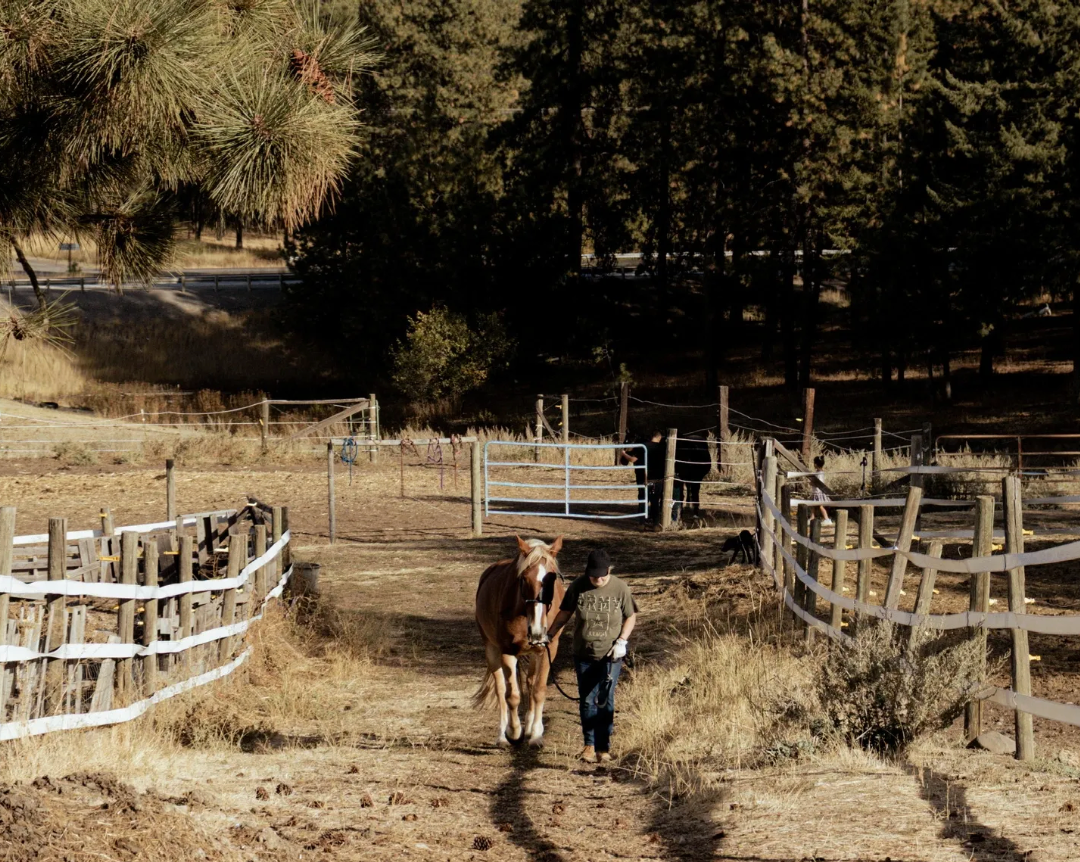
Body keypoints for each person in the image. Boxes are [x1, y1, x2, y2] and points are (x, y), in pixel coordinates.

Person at [546, 548, 638, 763]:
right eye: (593, 575)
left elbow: (630, 616)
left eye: (601, 575)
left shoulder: (620, 588)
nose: (597, 579)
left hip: (611, 654)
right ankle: (588, 745)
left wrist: (622, 641)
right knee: (587, 700)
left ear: (609, 570)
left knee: (605, 699)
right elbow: (565, 613)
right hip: (584, 653)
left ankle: (603, 747)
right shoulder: (578, 586)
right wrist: (549, 634)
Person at [811, 455, 832, 526]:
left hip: (818, 492)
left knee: (820, 506)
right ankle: (812, 518)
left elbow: (819, 483)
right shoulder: (818, 472)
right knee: (814, 506)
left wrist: (812, 483)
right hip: (816, 491)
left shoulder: (819, 473)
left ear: (815, 464)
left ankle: (827, 519)